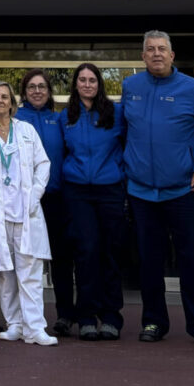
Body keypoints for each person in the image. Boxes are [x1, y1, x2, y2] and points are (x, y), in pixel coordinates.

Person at [120, 30, 194, 346]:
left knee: (192, 259)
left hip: (182, 190)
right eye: (150, 49)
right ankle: (153, 322)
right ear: (143, 56)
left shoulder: (193, 89)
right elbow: (123, 132)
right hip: (141, 192)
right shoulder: (130, 86)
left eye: (162, 49)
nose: (156, 53)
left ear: (172, 55)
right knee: (149, 261)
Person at [0, 81, 58, 346]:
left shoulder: (27, 131)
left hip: (25, 211)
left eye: (4, 97)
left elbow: (43, 164)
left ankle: (35, 328)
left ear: (12, 103)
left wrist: (35, 194)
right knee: (4, 273)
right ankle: (15, 324)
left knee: (29, 271)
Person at [61, 62, 127, 342]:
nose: (87, 84)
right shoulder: (65, 116)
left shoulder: (117, 113)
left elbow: (128, 145)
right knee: (86, 252)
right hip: (77, 192)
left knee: (110, 252)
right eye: (82, 80)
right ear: (75, 84)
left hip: (109, 189)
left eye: (92, 80)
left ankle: (111, 316)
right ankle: (86, 316)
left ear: (100, 84)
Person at [19, 68, 77, 337]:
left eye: (42, 86)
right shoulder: (15, 118)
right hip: (24, 202)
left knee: (61, 259)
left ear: (49, 91)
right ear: (24, 91)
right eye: (32, 86)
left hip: (56, 199)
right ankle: (24, 317)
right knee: (25, 261)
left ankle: (65, 315)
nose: (37, 91)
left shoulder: (60, 119)